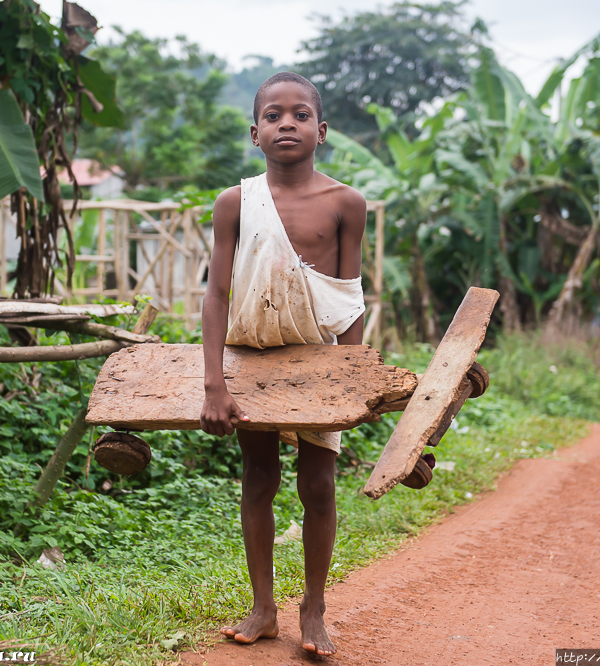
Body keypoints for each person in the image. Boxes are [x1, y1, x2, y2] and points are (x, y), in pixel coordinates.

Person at [199, 72, 367, 657]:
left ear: (321, 131)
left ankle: (314, 610)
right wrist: (214, 383)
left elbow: (349, 300)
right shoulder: (235, 203)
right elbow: (217, 294)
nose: (286, 124)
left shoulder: (346, 203)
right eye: (273, 115)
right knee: (260, 479)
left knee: (318, 486)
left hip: (319, 362)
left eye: (299, 115)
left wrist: (353, 384)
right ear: (255, 132)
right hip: (253, 359)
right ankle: (263, 606)